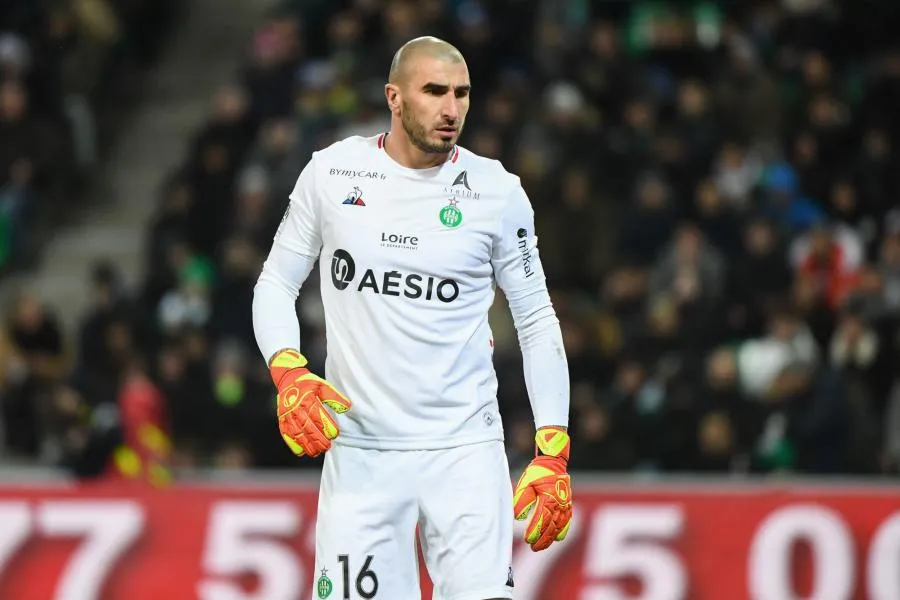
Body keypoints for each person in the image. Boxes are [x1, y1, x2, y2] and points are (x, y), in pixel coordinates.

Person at [252, 36, 572, 600]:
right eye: (434, 91)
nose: (451, 109)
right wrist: (288, 369)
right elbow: (276, 283)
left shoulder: (497, 193)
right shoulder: (332, 174)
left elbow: (537, 320)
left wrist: (554, 448)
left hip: (465, 451)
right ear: (394, 98)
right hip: (362, 451)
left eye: (461, 94)